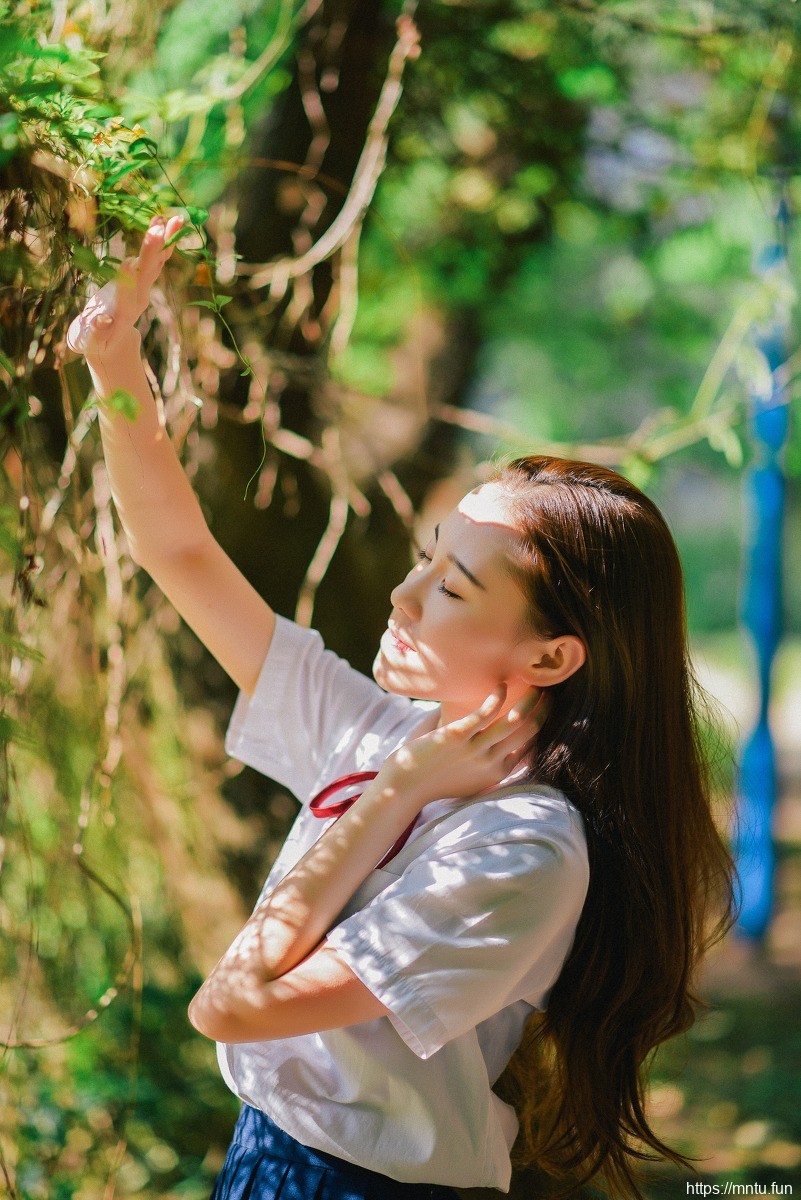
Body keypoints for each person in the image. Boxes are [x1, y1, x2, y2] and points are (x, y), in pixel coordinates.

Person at [68, 215, 738, 1200]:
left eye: (454, 588)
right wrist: (113, 356)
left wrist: (388, 800)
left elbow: (233, 1005)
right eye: (429, 556)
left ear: (553, 655)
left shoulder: (523, 849)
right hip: (264, 1158)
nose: (403, 597)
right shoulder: (383, 730)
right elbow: (182, 554)